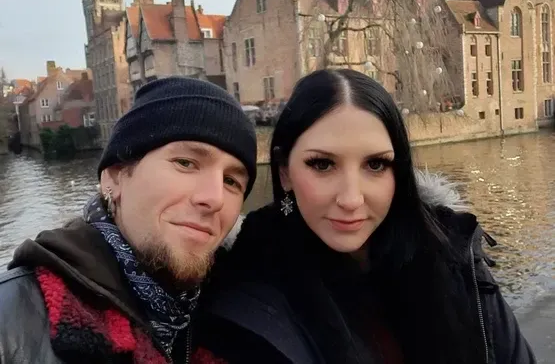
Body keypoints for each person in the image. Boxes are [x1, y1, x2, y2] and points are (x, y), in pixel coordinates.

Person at [195, 69, 536, 364]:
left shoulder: (453, 254)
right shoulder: (244, 296)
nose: (351, 199)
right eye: (322, 165)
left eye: (375, 165)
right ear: (284, 172)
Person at [0, 77, 257, 363]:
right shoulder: (12, 322)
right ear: (114, 177)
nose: (215, 198)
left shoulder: (239, 314)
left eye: (232, 181)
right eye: (186, 163)